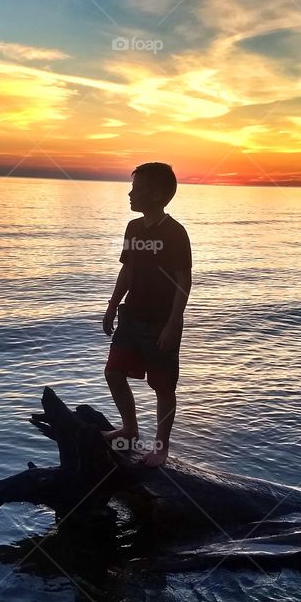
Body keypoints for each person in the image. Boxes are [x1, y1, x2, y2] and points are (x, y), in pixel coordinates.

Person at [102, 162, 191, 467]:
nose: (130, 194)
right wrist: (112, 305)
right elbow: (127, 270)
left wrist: (173, 323)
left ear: (157, 195)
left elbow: (183, 281)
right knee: (113, 372)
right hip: (131, 316)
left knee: (163, 387)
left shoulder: (175, 233)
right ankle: (130, 429)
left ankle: (161, 449)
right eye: (132, 188)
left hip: (160, 322)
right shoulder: (133, 228)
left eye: (137, 189)